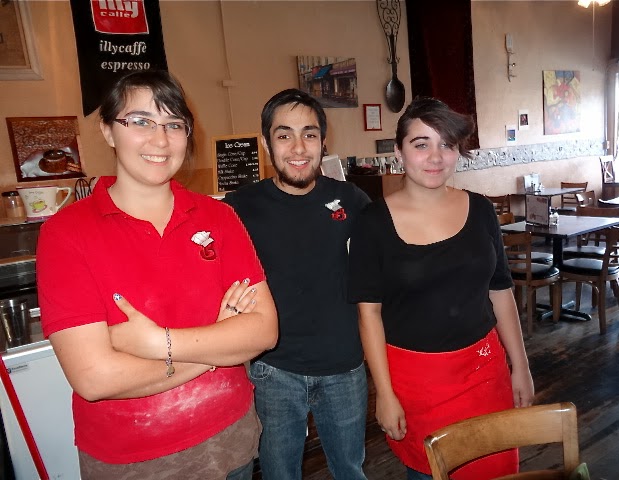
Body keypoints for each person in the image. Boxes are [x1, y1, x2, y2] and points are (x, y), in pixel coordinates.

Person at [36, 70, 278, 480]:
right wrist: (217, 349)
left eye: (173, 124)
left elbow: (263, 331)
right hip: (133, 460)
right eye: (141, 121)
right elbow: (94, 378)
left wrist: (157, 343)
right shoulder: (66, 234)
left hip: (230, 438)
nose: (160, 140)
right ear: (108, 130)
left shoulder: (219, 217)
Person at [347, 97, 534, 480]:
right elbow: (369, 315)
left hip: (485, 371)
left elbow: (501, 291)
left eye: (446, 144)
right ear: (398, 152)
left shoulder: (481, 210)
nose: (435, 157)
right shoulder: (372, 223)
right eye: (421, 144)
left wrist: (521, 366)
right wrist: (384, 394)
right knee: (429, 472)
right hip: (416, 384)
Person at [223, 88, 370, 480]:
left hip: (344, 366)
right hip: (274, 370)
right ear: (266, 143)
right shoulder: (239, 207)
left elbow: (383, 267)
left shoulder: (351, 199)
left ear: (323, 141)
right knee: (279, 474)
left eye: (309, 134)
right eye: (284, 135)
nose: (298, 148)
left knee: (350, 471)